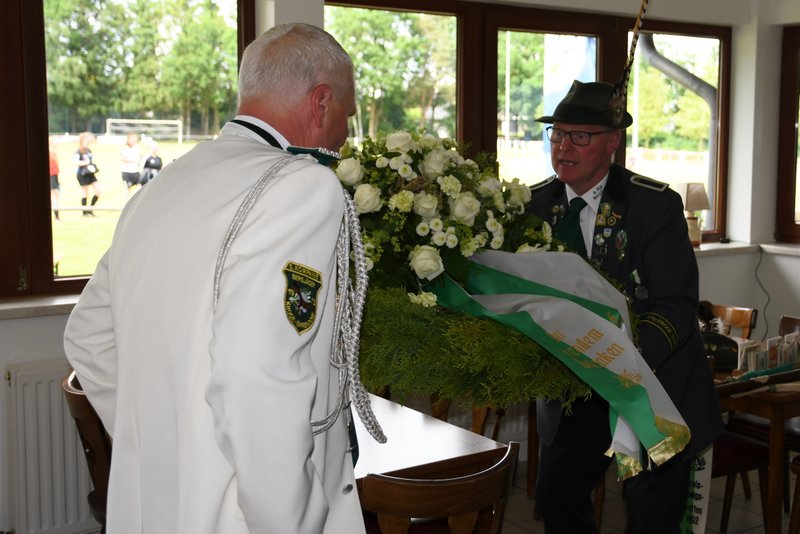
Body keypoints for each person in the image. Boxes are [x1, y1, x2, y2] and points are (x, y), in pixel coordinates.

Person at [64, 23, 383, 534]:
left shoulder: (165, 181)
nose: (345, 136)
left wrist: (161, 440)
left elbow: (87, 336)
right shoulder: (302, 187)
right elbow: (259, 373)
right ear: (321, 102)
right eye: (346, 116)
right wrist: (289, 521)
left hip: (151, 504)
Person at [526, 80, 723, 533]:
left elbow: (675, 304)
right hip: (575, 394)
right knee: (557, 502)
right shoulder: (535, 205)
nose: (563, 147)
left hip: (653, 386)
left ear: (612, 142)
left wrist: (619, 358)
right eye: (557, 134)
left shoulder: (653, 205)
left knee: (651, 517)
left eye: (580, 136)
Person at [73, 131, 101, 216]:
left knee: (98, 190)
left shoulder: (89, 150)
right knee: (85, 193)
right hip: (82, 174)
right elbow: (75, 162)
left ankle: (90, 209)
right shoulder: (79, 151)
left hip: (90, 173)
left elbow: (90, 161)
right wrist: (85, 163)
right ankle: (84, 212)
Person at [120, 132, 142, 198]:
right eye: (133, 139)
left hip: (135, 171)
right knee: (128, 190)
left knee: (140, 187)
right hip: (127, 172)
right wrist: (133, 159)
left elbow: (139, 157)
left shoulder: (136, 147)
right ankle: (126, 203)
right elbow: (122, 158)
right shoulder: (125, 148)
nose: (134, 141)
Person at [48, 137, 61, 220]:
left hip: (54, 176)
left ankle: (57, 216)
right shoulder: (49, 153)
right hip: (51, 176)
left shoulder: (53, 154)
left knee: (57, 196)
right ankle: (56, 217)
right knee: (54, 196)